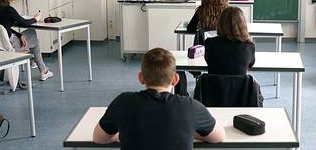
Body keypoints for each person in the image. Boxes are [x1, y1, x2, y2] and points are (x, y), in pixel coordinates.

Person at [93, 48, 226, 150]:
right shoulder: (190, 106)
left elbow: (98, 138)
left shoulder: (123, 102)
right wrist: (190, 132)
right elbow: (219, 137)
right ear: (175, 79)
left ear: (141, 78)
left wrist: (121, 134)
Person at [0, 0, 53, 81]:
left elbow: (2, 29)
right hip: (9, 46)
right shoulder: (8, 10)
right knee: (32, 34)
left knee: (28, 36)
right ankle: (43, 70)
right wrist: (36, 18)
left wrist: (18, 34)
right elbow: (24, 23)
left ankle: (33, 61)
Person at [205, 7, 255, 75]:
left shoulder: (210, 43)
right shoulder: (249, 46)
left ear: (220, 23)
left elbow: (209, 61)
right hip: (240, 85)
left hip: (214, 85)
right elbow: (250, 64)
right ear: (243, 25)